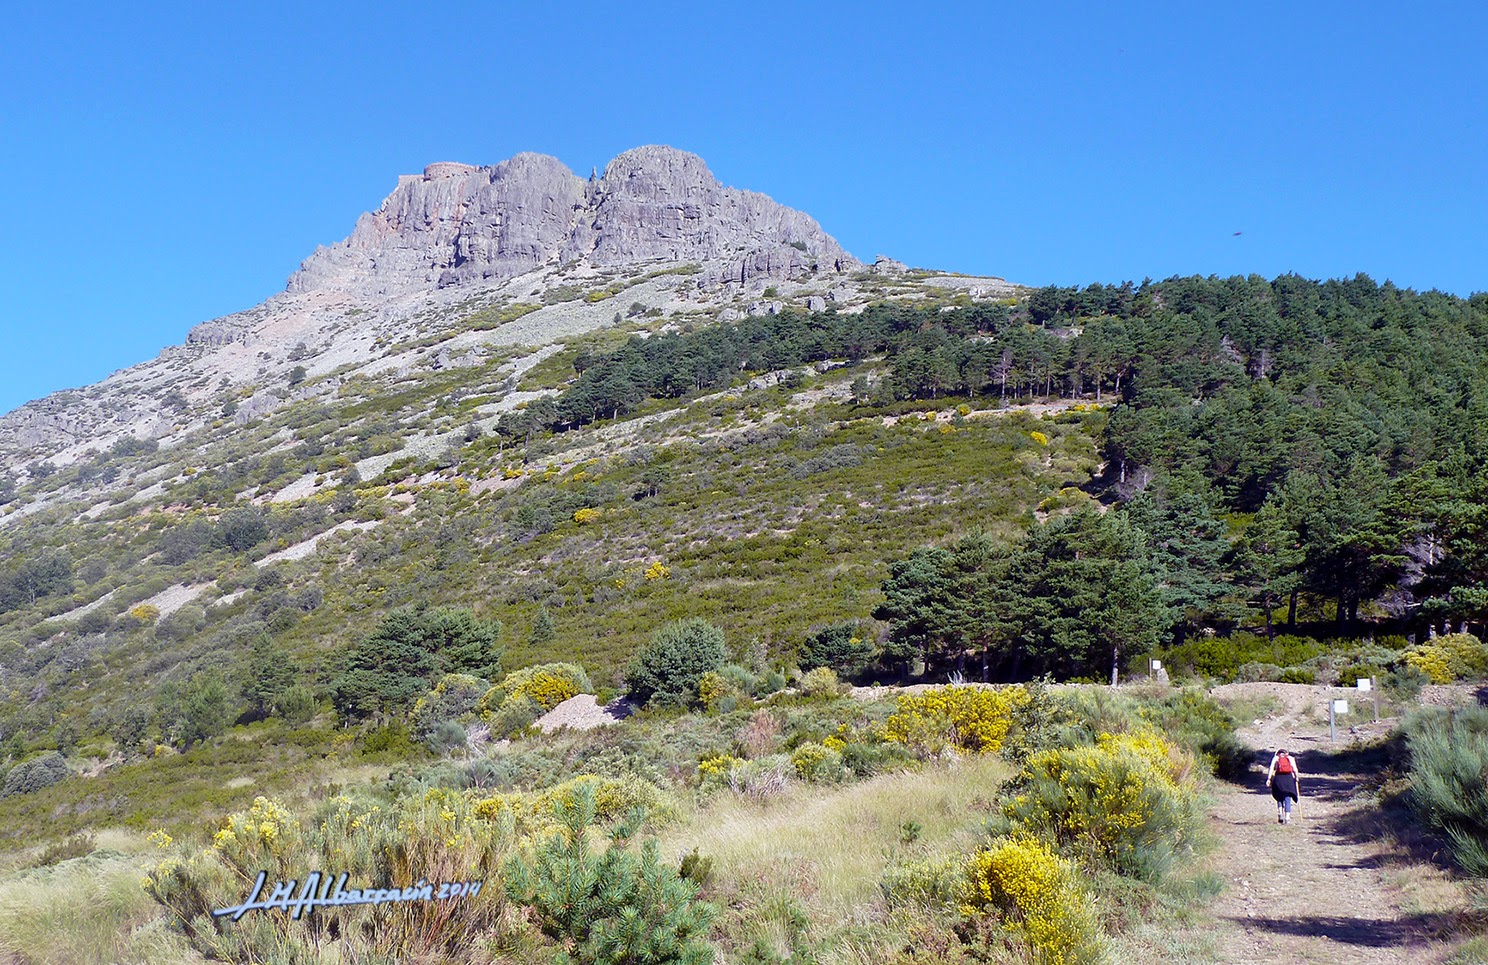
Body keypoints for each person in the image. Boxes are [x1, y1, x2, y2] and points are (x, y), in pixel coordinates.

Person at [1266, 747, 1301, 823]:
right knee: (1287, 797)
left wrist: (1269, 779)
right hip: (1288, 779)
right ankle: (1287, 817)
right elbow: (1295, 769)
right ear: (1286, 753)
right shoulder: (1290, 758)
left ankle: (1280, 814)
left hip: (1278, 778)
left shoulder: (1276, 758)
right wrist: (1297, 777)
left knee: (1279, 796)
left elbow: (1271, 768)